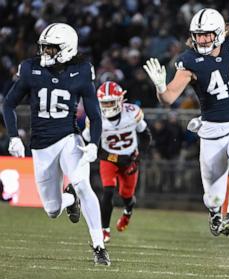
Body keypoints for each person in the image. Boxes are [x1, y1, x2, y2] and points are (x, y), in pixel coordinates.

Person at [143, 8, 229, 236]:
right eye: (198, 34)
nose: (202, 39)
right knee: (213, 197)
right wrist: (160, 87)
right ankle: (215, 211)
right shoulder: (189, 62)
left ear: (219, 33)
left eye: (207, 34)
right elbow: (169, 99)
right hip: (212, 132)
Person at [2, 23, 110, 265]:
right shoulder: (30, 69)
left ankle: (98, 245)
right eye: (44, 48)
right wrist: (13, 136)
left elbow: (94, 113)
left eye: (51, 49)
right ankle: (70, 199)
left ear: (67, 49)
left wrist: (93, 143)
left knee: (83, 184)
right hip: (41, 146)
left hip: (70, 139)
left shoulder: (81, 71)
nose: (45, 53)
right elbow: (8, 104)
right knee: (52, 210)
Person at [82, 81, 151, 243]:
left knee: (127, 196)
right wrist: (110, 157)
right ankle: (104, 230)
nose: (107, 106)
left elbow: (145, 135)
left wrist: (139, 157)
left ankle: (128, 212)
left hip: (130, 159)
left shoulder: (132, 113)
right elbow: (89, 142)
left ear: (120, 100)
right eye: (104, 103)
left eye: (110, 102)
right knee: (107, 192)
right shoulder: (95, 117)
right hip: (109, 158)